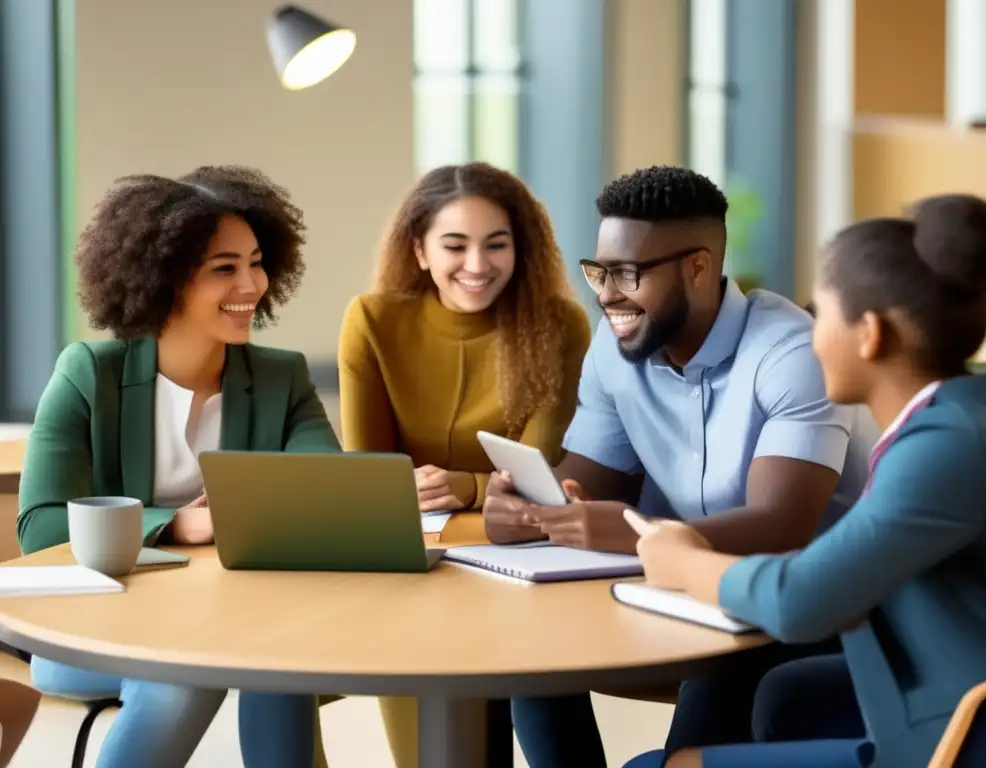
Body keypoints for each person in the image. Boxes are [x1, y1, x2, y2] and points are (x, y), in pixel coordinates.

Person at [483, 166, 874, 766]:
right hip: (688, 591)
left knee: (693, 735)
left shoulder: (791, 351)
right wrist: (528, 507)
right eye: (599, 271)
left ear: (697, 267)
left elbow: (782, 525)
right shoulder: (617, 350)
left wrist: (642, 537)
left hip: (802, 604)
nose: (607, 293)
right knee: (529, 649)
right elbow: (586, 479)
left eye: (628, 274)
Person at [634, 194, 986, 768]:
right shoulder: (977, 417)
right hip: (961, 709)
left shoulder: (945, 449)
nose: (808, 334)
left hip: (966, 742)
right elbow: (843, 593)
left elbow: (803, 602)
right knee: (783, 696)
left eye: (820, 313)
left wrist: (684, 559)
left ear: (869, 333)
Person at [17, 166, 337, 768]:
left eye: (257, 261)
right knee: (186, 669)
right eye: (225, 267)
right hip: (89, 627)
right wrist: (171, 524)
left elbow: (326, 496)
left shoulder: (280, 377)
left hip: (241, 621)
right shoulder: (89, 373)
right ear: (163, 279)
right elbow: (41, 529)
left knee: (275, 663)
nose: (252, 283)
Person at [336, 162, 593, 768]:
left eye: (496, 245)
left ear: (520, 250)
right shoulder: (372, 320)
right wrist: (469, 488)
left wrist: (457, 485)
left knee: (543, 712)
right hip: (407, 563)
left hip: (521, 558)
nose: (476, 265)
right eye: (455, 245)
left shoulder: (559, 327)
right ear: (420, 251)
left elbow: (541, 477)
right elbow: (369, 476)